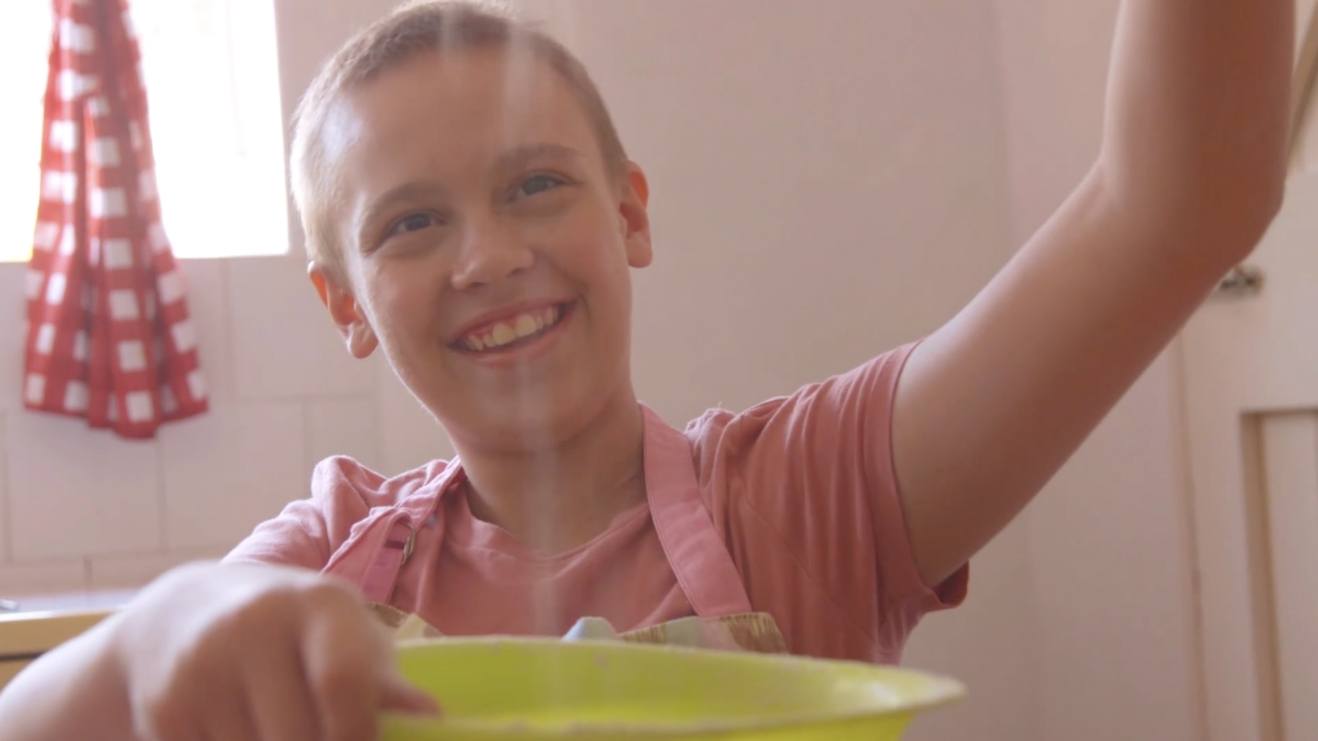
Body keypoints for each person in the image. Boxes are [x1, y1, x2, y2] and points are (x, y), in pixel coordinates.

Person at [0, 0, 1293, 739]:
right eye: (411, 222)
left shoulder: (809, 494)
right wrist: (161, 628)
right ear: (344, 304)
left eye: (534, 185)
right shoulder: (326, 550)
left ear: (629, 213)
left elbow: (1176, 204)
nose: (488, 256)